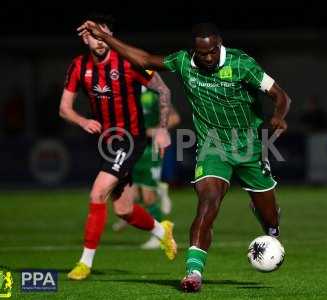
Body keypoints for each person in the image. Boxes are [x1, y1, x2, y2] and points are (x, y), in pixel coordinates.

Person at [78, 21, 291, 292]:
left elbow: (281, 95)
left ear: (219, 44)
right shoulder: (183, 62)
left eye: (213, 51)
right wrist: (107, 40)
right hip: (212, 149)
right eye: (203, 53)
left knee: (271, 220)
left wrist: (278, 116)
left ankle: (270, 225)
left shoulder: (242, 64)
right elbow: (144, 59)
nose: (209, 57)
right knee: (207, 205)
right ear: (195, 50)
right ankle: (193, 273)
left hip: (249, 148)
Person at [60, 13, 177, 281]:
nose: (98, 41)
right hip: (105, 142)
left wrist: (161, 128)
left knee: (97, 193)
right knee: (123, 209)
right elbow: (64, 109)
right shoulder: (78, 67)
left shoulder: (126, 62)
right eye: (92, 35)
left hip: (131, 138)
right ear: (84, 39)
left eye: (103, 34)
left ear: (109, 35)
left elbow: (164, 91)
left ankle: (84, 263)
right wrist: (82, 120)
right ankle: (162, 231)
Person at [112, 87, 181, 251]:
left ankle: (159, 236)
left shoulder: (155, 93)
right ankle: (160, 191)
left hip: (152, 150)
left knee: (148, 197)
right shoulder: (125, 92)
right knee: (131, 193)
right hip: (132, 149)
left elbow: (174, 118)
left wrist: (157, 129)